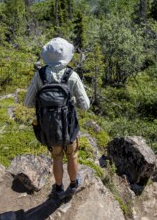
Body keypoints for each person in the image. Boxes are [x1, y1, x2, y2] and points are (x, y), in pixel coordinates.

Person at [24, 37, 90, 198]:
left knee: (56, 157)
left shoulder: (40, 75)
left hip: (50, 127)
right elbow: (85, 105)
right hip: (69, 127)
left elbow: (27, 103)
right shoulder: (71, 75)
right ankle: (74, 184)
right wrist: (71, 100)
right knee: (72, 155)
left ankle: (59, 188)